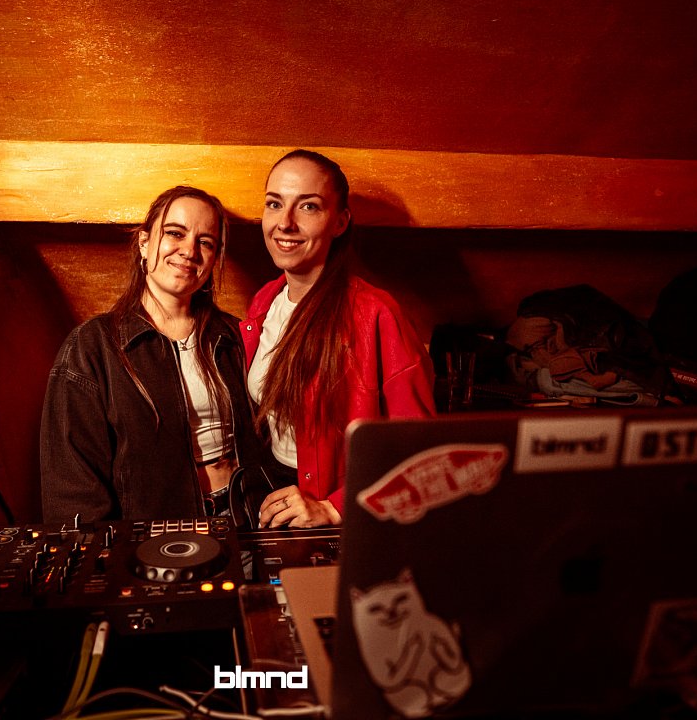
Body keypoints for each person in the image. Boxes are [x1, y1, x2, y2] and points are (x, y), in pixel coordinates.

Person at [41, 185, 278, 524]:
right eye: (175, 233)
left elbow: (274, 439)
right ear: (144, 242)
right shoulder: (91, 346)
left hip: (246, 519)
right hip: (157, 533)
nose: (189, 251)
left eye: (205, 242)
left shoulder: (235, 336)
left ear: (214, 258)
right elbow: (72, 488)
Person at [242, 150, 436, 528]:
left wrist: (333, 508)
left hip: (343, 513)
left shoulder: (376, 313)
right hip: (274, 493)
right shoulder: (265, 301)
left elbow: (419, 449)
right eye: (274, 203)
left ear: (340, 222)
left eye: (308, 207)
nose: (285, 223)